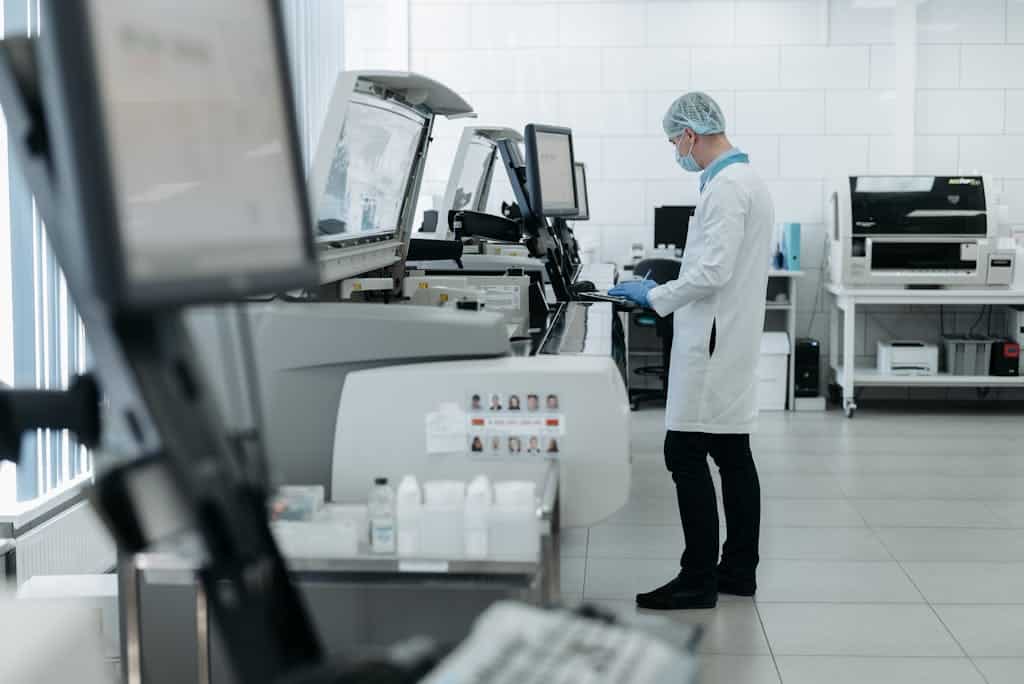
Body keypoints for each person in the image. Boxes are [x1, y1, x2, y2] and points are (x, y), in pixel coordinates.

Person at [609, 92, 774, 611]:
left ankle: (697, 578)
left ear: (691, 134)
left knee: (684, 453)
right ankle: (738, 570)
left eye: (674, 141)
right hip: (728, 338)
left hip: (712, 344)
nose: (676, 152)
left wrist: (653, 295)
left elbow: (711, 272)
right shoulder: (747, 181)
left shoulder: (727, 188)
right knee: (731, 452)